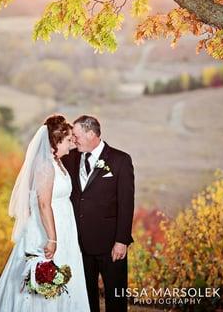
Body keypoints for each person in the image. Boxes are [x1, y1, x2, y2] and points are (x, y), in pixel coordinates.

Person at [0, 115, 90, 312]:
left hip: (64, 225)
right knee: (43, 278)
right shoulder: (45, 166)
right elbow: (43, 204)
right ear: (56, 141)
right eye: (68, 140)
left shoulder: (57, 163)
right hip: (48, 228)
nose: (72, 144)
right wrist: (52, 239)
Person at [62, 115, 135, 312]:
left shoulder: (120, 160)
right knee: (85, 298)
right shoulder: (70, 159)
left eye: (76, 136)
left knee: (116, 296)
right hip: (79, 244)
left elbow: (126, 204)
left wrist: (122, 240)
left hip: (111, 244)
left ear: (91, 134)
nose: (74, 140)